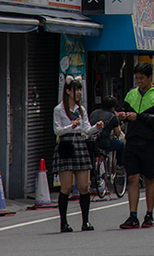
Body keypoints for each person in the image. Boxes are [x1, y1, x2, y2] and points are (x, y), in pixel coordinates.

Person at [117, 62, 154, 229]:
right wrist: (122, 116)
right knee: (132, 177)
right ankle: (133, 215)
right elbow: (124, 112)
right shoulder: (131, 94)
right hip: (132, 140)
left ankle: (149, 214)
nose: (138, 81)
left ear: (149, 78)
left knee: (149, 178)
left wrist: (138, 117)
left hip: (150, 141)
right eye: (136, 78)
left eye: (141, 78)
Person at [52, 76, 103, 232]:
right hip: (66, 145)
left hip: (80, 145)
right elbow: (57, 130)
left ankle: (85, 222)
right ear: (68, 91)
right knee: (66, 187)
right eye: (76, 90)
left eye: (80, 89)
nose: (79, 93)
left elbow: (86, 130)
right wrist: (70, 126)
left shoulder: (81, 110)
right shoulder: (59, 109)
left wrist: (97, 127)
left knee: (84, 187)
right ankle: (64, 223)